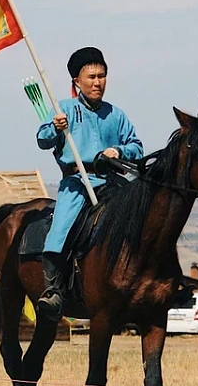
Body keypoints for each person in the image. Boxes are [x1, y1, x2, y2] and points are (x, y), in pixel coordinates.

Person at [35, 47, 143, 320]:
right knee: (60, 230)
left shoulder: (116, 115)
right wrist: (54, 128)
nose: (98, 82)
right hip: (77, 183)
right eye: (92, 76)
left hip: (111, 180)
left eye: (102, 76)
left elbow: (137, 146)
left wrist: (119, 151)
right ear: (77, 82)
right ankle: (54, 290)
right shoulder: (63, 110)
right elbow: (42, 139)